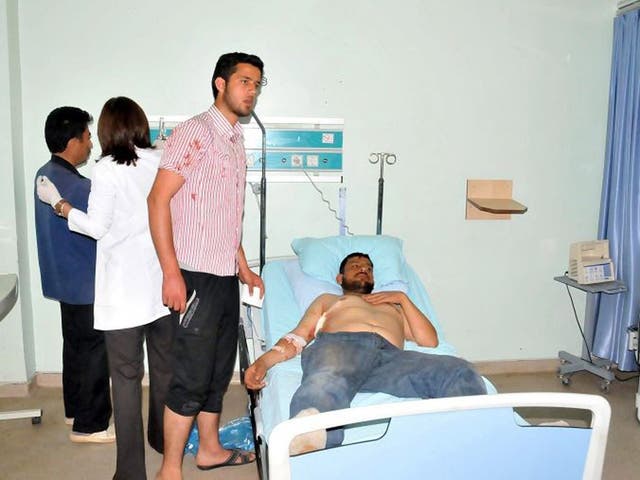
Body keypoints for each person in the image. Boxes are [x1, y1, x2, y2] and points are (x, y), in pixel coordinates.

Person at [36, 97, 175, 479]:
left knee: (126, 381)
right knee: (163, 373)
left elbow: (96, 228)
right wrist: (162, 148)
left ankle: (131, 472)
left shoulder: (107, 170)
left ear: (106, 131)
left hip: (123, 296)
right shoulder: (160, 161)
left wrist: (61, 206)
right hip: (162, 287)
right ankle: (164, 442)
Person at [147, 52, 265, 479]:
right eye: (244, 82)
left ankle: (210, 449)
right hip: (193, 274)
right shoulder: (194, 133)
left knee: (218, 369)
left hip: (223, 277)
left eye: (257, 84)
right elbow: (157, 200)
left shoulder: (235, 141)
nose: (251, 90)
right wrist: (171, 272)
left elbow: (225, 216)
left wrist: (244, 267)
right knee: (190, 375)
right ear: (221, 83)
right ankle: (170, 469)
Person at [244, 252, 488, 454]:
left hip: (390, 358)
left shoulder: (393, 305)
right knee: (325, 381)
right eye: (355, 265)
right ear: (340, 278)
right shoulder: (328, 300)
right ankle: (311, 433)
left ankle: (468, 434)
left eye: (369, 268)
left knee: (458, 369)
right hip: (341, 347)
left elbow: (429, 341)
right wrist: (263, 362)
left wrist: (402, 299)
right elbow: (297, 337)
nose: (363, 269)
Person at [33, 106, 113, 443]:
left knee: (76, 348)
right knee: (93, 351)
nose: (91, 143)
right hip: (84, 282)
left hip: (63, 279)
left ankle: (74, 411)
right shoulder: (77, 186)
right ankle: (90, 425)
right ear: (72, 140)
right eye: (87, 136)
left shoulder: (45, 172)